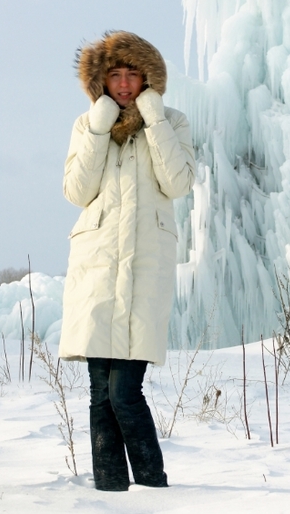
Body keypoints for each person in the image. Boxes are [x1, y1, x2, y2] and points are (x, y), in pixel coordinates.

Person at [59, 30, 195, 491]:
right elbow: (77, 191)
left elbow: (177, 183)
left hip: (144, 267)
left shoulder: (172, 121)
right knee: (101, 393)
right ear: (101, 80)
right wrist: (99, 127)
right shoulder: (86, 125)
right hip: (97, 267)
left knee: (124, 391)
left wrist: (154, 120)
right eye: (113, 75)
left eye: (131, 74)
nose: (122, 84)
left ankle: (154, 486)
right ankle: (110, 490)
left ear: (147, 78)